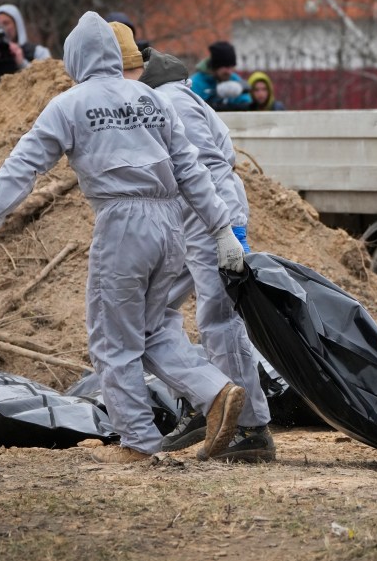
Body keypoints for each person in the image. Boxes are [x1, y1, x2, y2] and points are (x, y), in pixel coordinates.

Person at [0, 11, 248, 464]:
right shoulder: (152, 99)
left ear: (74, 58)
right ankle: (216, 390)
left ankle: (138, 443)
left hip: (122, 224)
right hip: (171, 225)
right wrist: (221, 229)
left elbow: (23, 167)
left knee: (113, 341)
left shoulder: (70, 104)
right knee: (153, 330)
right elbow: (191, 169)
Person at [113, 24, 274, 462]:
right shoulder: (159, 97)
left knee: (219, 319)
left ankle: (251, 429)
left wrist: (227, 232)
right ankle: (207, 402)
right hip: (190, 224)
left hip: (210, 220)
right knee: (156, 314)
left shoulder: (169, 101)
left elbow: (208, 169)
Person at [0, 4, 52, 94]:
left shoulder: (38, 52)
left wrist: (22, 63)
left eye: (6, 23)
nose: (1, 29)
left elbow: (48, 81)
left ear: (17, 25)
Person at [189, 41, 251, 112]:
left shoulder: (234, 79)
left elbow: (247, 104)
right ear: (215, 67)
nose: (229, 72)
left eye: (231, 67)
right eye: (226, 67)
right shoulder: (195, 83)